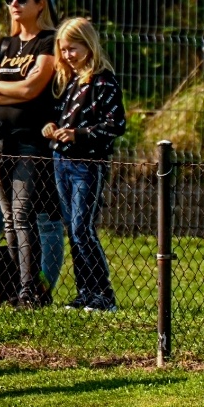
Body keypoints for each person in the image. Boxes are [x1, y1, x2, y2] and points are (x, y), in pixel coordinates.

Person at [0, 0, 57, 308]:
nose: (14, 4)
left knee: (23, 214)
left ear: (40, 4)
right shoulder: (4, 45)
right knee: (8, 217)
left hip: (29, 140)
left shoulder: (48, 42)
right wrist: (7, 90)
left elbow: (32, 89)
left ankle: (30, 289)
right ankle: (16, 288)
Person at [43, 17, 126, 312]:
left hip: (88, 163)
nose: (67, 55)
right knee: (73, 229)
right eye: (63, 50)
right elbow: (58, 115)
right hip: (61, 160)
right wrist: (52, 126)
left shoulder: (104, 81)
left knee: (82, 227)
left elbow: (115, 125)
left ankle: (103, 295)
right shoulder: (70, 81)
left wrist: (77, 134)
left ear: (89, 46)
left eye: (73, 49)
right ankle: (85, 293)